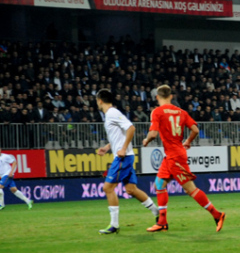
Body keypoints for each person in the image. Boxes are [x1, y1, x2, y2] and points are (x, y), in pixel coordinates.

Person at [142, 85, 226, 232]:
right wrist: (188, 141)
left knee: (190, 189)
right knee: (159, 184)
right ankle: (162, 222)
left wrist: (146, 141)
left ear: (157, 97)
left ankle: (217, 214)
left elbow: (153, 134)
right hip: (173, 154)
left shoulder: (157, 112)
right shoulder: (181, 112)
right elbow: (195, 129)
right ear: (171, 97)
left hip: (175, 157)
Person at [96, 89, 159, 235]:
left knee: (108, 188)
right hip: (127, 156)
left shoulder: (112, 113)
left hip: (123, 157)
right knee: (131, 190)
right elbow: (120, 134)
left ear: (100, 100)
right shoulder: (111, 114)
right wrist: (107, 147)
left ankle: (114, 225)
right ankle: (158, 213)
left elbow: (131, 128)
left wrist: (123, 148)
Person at [0, 145, 34, 210]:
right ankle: (28, 201)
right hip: (2, 175)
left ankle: (1, 205)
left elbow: (14, 162)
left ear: (0, 150)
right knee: (14, 189)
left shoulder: (5, 156)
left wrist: (11, 172)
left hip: (7, 174)